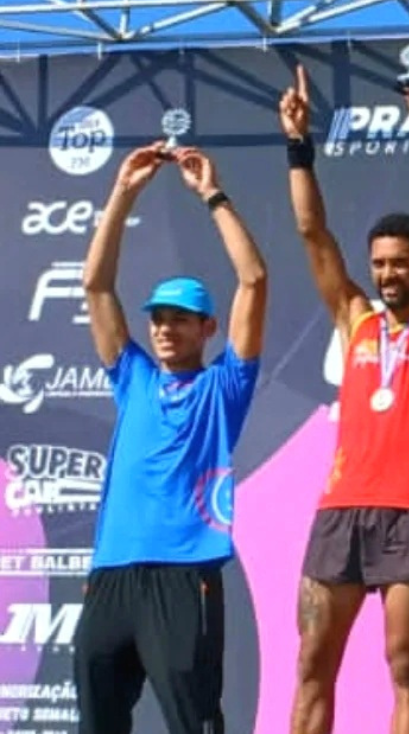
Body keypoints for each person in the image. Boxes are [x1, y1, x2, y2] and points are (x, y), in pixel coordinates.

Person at [279, 61, 409, 734]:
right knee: (312, 663)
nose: (387, 274)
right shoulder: (355, 319)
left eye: (400, 263)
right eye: (380, 263)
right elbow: (312, 234)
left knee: (405, 665)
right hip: (340, 512)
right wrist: (298, 146)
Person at [73, 142, 269, 734]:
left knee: (192, 722)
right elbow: (96, 286)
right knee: (97, 723)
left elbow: (254, 280)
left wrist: (212, 195)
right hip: (112, 574)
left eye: (179, 319)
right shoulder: (132, 377)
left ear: (207, 328)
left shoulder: (224, 386)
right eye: (157, 318)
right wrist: (122, 193)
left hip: (183, 575)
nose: (163, 328)